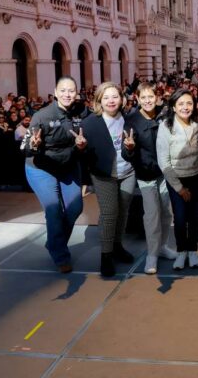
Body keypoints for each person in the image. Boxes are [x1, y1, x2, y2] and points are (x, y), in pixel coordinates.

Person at [22, 76, 88, 273]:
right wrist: (33, 145)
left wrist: (82, 147)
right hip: (41, 167)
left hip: (68, 165)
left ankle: (53, 241)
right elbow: (25, 147)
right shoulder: (42, 116)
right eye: (63, 90)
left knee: (75, 208)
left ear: (76, 93)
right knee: (54, 211)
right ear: (55, 92)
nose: (68, 94)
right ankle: (60, 255)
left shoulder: (81, 111)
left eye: (71, 91)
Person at [81, 82, 137, 277]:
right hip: (104, 175)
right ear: (99, 101)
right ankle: (106, 255)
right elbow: (84, 155)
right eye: (106, 97)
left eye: (115, 96)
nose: (111, 101)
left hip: (128, 172)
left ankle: (117, 246)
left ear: (122, 99)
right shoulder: (89, 123)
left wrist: (132, 149)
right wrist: (81, 148)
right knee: (109, 213)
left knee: (123, 212)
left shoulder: (131, 119)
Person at [123, 82, 178, 274]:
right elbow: (125, 151)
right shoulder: (132, 120)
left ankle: (162, 247)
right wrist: (129, 149)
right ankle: (152, 255)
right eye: (143, 97)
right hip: (145, 176)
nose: (147, 101)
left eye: (150, 97)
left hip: (164, 174)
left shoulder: (165, 116)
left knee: (166, 213)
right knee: (152, 215)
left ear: (157, 98)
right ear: (137, 99)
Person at [156, 88, 198, 271]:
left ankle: (192, 250)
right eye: (181, 104)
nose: (185, 107)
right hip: (176, 179)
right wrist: (179, 188)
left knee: (194, 216)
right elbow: (163, 161)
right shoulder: (165, 127)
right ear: (173, 106)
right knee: (180, 218)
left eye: (189, 103)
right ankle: (181, 251)